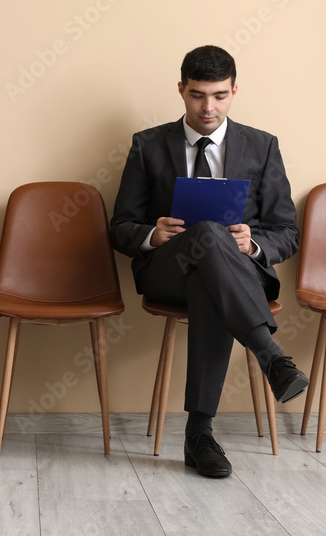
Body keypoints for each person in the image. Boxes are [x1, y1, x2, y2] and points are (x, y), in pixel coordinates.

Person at [110, 45, 308, 479]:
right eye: (198, 95)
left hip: (229, 277)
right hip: (166, 270)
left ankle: (199, 434)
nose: (208, 107)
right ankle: (269, 353)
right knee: (206, 234)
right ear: (181, 90)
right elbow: (119, 226)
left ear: (235, 91)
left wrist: (253, 244)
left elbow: (287, 232)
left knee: (211, 276)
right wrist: (150, 234)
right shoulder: (147, 145)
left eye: (219, 95)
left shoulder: (262, 146)